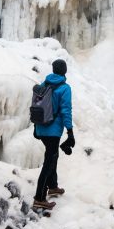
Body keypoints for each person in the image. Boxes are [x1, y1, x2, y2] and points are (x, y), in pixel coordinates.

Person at [33, 58, 75, 211]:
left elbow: (36, 105)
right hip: (53, 130)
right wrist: (70, 131)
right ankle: (39, 198)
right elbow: (66, 110)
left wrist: (35, 128)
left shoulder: (44, 84)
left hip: (41, 128)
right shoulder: (64, 88)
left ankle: (53, 186)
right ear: (64, 71)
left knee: (53, 155)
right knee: (49, 160)